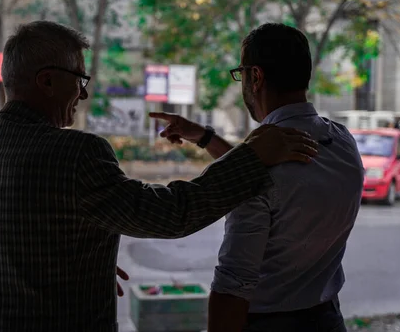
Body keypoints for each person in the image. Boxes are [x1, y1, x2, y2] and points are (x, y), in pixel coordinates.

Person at [0, 20, 319, 332]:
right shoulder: (75, 153)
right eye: (80, 79)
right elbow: (173, 214)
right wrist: (253, 157)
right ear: (47, 81)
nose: (84, 95)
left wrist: (74, 263)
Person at [151, 23, 364, 332]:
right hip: (328, 319)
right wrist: (205, 136)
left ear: (255, 76)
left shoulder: (262, 171)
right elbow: (256, 164)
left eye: (241, 74)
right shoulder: (343, 142)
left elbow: (233, 286)